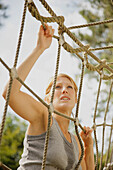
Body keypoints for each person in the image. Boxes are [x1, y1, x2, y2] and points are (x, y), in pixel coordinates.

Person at [2, 24, 95, 170]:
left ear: (76, 99)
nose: (64, 90)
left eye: (69, 87)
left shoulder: (76, 141)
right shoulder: (43, 116)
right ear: (47, 99)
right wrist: (40, 48)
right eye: (57, 87)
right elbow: (10, 94)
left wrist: (89, 148)